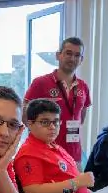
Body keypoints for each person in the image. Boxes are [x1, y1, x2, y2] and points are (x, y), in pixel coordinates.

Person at [24, 37, 91, 165]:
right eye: (68, 53)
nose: (72, 58)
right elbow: (26, 117)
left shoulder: (83, 86)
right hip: (45, 154)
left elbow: (80, 119)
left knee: (79, 179)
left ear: (81, 60)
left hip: (73, 155)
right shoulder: (40, 83)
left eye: (77, 55)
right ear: (58, 55)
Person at [14, 99, 94, 193]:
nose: (52, 127)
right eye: (45, 122)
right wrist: (77, 183)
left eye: (56, 122)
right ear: (30, 124)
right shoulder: (28, 153)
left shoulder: (54, 146)